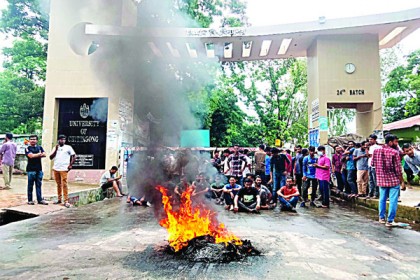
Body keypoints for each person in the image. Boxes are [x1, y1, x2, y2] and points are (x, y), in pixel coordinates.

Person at [372, 134, 406, 227]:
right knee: (393, 200)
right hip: (393, 180)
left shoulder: (376, 151)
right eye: (396, 142)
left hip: (381, 180)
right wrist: (402, 182)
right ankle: (390, 221)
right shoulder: (394, 152)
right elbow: (398, 170)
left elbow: (372, 164)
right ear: (390, 142)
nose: (397, 143)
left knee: (382, 199)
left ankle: (381, 218)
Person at [49, 134, 76, 208]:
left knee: (64, 184)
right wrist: (56, 150)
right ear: (58, 140)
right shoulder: (55, 147)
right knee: (58, 184)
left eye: (64, 139)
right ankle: (59, 199)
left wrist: (70, 165)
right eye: (61, 139)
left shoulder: (68, 147)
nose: (62, 141)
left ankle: (66, 200)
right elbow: (50, 157)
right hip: (56, 168)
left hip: (64, 168)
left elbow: (74, 156)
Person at [25, 134, 48, 205]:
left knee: (39, 185)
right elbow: (30, 156)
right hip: (31, 170)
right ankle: (30, 200)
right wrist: (39, 154)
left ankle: (40, 199)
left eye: (34, 139)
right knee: (30, 185)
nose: (33, 140)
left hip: (39, 169)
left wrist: (36, 155)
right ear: (29, 140)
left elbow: (44, 154)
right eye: (31, 139)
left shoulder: (40, 147)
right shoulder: (27, 148)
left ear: (37, 140)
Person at [367, 134, 381, 199]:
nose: (370, 140)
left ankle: (376, 193)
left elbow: (370, 155)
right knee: (370, 180)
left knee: (375, 180)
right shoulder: (370, 147)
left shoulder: (377, 147)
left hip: (375, 166)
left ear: (375, 140)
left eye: (371, 139)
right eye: (369, 139)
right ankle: (371, 193)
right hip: (369, 165)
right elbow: (368, 156)